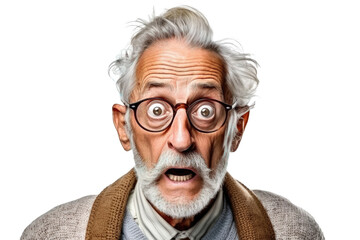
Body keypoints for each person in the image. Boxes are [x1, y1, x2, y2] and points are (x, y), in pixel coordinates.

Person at [21, 6, 324, 240]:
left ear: (237, 128)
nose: (181, 139)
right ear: (123, 127)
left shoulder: (293, 231)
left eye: (205, 111)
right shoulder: (52, 232)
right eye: (156, 110)